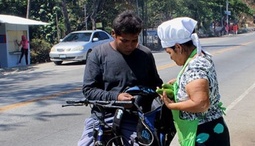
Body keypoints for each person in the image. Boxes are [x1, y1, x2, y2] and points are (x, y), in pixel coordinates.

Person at [78, 10, 163, 146]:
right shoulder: (97, 54)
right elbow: (89, 90)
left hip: (134, 118)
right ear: (113, 34)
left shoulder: (145, 54)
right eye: (124, 41)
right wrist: (116, 97)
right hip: (103, 116)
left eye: (134, 40)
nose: (130, 45)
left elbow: (156, 85)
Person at [157, 17, 230, 146]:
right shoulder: (199, 57)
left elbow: (201, 103)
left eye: (170, 53)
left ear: (178, 47)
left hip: (205, 135)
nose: (171, 58)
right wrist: (180, 82)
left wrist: (172, 106)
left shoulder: (194, 67)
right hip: (212, 130)